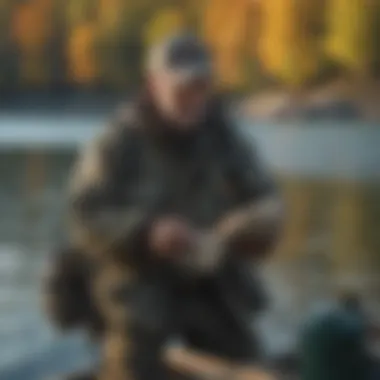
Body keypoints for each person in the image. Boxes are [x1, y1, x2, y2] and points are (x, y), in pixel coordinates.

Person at [49, 33, 284, 380]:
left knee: (248, 362)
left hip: (209, 280)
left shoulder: (222, 135)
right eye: (182, 87)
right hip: (139, 280)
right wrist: (146, 232)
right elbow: (83, 215)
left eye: (201, 86)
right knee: (132, 359)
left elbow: (263, 195)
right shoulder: (118, 142)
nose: (193, 98)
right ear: (153, 84)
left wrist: (249, 223)